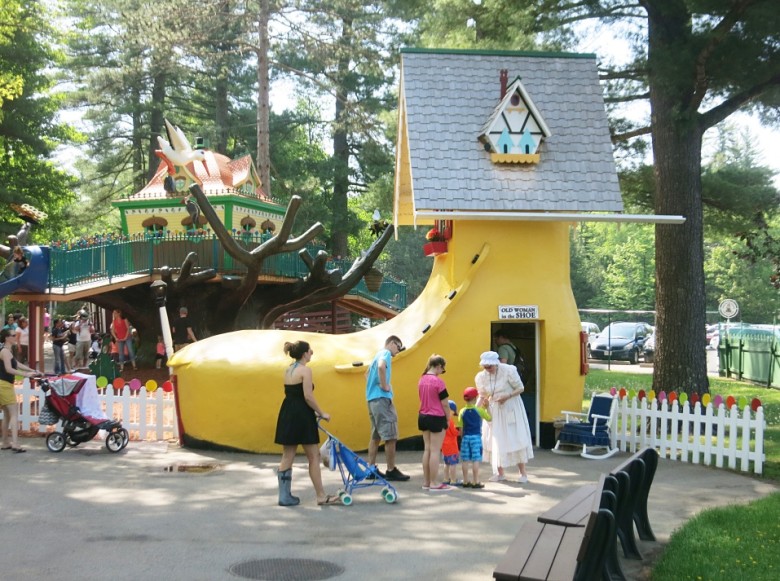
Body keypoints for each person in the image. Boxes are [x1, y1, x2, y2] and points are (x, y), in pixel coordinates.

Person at [274, 340, 339, 506]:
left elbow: (293, 395)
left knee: (288, 454)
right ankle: (321, 496)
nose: (312, 353)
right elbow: (307, 396)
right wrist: (322, 412)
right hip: (302, 415)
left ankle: (284, 496)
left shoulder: (288, 370)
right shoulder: (305, 371)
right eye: (310, 351)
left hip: (287, 412)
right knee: (314, 456)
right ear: (304, 354)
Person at [475, 351, 533, 483]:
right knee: (495, 439)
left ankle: (523, 473)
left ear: (496, 364)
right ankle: (499, 472)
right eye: (485, 367)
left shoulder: (509, 370)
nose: (487, 370)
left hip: (510, 406)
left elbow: (520, 388)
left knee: (514, 437)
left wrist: (507, 396)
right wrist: (475, 409)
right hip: (493, 409)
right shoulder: (481, 377)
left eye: (490, 367)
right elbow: (482, 395)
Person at [365, 335, 410, 481]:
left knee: (375, 436)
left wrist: (373, 386)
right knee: (391, 436)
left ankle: (371, 468)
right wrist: (384, 386)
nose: (398, 351)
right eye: (398, 347)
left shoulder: (375, 355)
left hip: (372, 399)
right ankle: (391, 469)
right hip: (382, 399)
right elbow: (381, 366)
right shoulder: (385, 353)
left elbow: (366, 374)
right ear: (391, 343)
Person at [0, 328, 40, 453]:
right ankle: (15, 444)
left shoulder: (8, 350)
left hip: (5, 384)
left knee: (7, 414)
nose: (15, 337)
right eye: (13, 335)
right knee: (14, 414)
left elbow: (16, 364)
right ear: (6, 338)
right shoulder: (5, 351)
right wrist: (25, 375)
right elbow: (9, 369)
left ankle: (5, 442)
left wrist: (32, 370)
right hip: (4, 385)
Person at [417, 354, 451, 492]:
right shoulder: (438, 382)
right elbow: (445, 404)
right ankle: (434, 482)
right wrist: (448, 418)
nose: (442, 372)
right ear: (438, 366)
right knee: (436, 450)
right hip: (437, 417)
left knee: (427, 449)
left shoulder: (421, 379)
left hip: (423, 416)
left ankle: (426, 482)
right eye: (442, 369)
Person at [458, 386, 492, 488]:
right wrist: (487, 407)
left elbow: (460, 428)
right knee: (475, 460)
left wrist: (462, 437)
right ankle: (475, 481)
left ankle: (465, 481)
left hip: (465, 438)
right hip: (476, 438)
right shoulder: (479, 410)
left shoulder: (462, 411)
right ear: (475, 398)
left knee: (465, 460)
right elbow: (490, 418)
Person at [441, 400, 461, 486]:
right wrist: (459, 432)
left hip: (444, 447)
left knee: (446, 463)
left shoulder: (441, 421)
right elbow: (453, 432)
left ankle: (446, 478)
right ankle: (453, 480)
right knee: (453, 464)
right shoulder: (451, 422)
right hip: (452, 447)